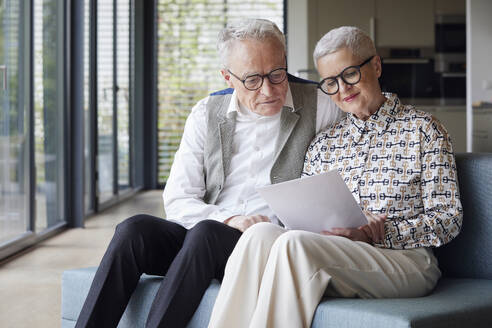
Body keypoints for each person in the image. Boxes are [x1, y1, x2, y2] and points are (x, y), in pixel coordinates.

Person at [75, 19, 342, 328]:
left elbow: (368, 122)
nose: (269, 89)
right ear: (228, 77)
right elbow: (177, 199)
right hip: (203, 242)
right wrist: (231, 219)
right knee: (132, 230)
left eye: (277, 74)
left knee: (206, 233)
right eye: (253, 79)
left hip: (264, 245)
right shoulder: (206, 112)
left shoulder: (321, 106)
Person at [208, 26, 463, 328]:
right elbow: (299, 221)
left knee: (294, 246)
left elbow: (449, 219)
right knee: (258, 235)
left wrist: (378, 232)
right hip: (336, 254)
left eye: (350, 74)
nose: (342, 89)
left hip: (406, 259)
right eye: (330, 82)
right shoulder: (323, 143)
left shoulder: (423, 130)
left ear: (376, 66)